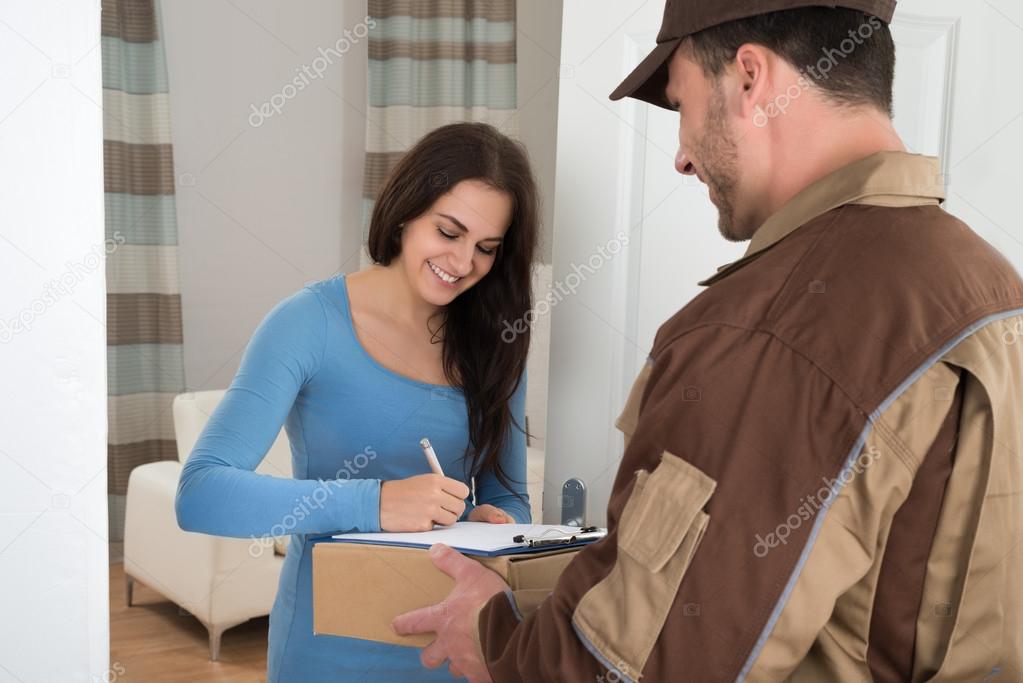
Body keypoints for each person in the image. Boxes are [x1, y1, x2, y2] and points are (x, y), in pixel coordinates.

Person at [392, 2, 1023, 681]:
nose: (682, 156)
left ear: (749, 78)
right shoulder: (987, 282)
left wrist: (495, 639)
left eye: (683, 103)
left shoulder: (771, 328)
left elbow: (652, 664)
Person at [174, 121, 540, 681]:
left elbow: (508, 496)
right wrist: (375, 502)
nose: (464, 262)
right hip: (329, 647)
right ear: (404, 211)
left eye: (486, 248)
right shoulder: (308, 322)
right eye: (449, 231)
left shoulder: (495, 340)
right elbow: (201, 493)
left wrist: (500, 523)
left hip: (456, 648)